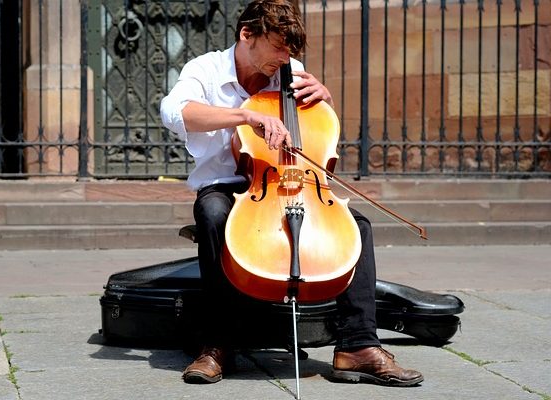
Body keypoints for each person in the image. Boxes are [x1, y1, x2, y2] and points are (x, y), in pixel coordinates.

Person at [160, 0, 423, 387]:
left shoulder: (289, 70)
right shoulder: (206, 69)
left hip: (288, 180)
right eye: (278, 48)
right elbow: (175, 112)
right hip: (225, 183)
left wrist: (324, 99)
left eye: (290, 51)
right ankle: (216, 345)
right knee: (214, 215)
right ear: (246, 35)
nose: (284, 60)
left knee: (357, 225)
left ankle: (358, 345)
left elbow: (315, 133)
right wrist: (245, 115)